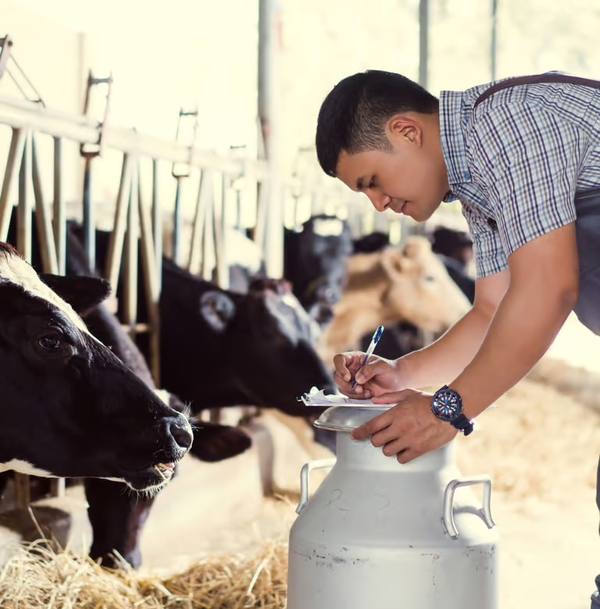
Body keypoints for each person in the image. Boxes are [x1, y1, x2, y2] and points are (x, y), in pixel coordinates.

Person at [315, 69, 600, 608]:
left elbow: (548, 288)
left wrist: (448, 408)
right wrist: (401, 376)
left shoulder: (509, 122)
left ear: (406, 131)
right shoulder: (478, 184)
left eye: (372, 180)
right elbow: (493, 310)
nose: (378, 204)